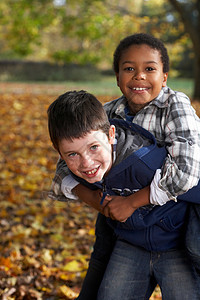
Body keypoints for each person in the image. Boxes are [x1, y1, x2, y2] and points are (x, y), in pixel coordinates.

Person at [48, 33, 200, 299]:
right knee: (105, 278)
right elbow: (64, 168)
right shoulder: (107, 113)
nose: (139, 76)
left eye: (149, 69)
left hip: (178, 226)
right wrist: (96, 199)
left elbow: (185, 174)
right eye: (129, 69)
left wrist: (131, 203)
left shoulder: (175, 105)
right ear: (117, 77)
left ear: (164, 76)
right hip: (128, 229)